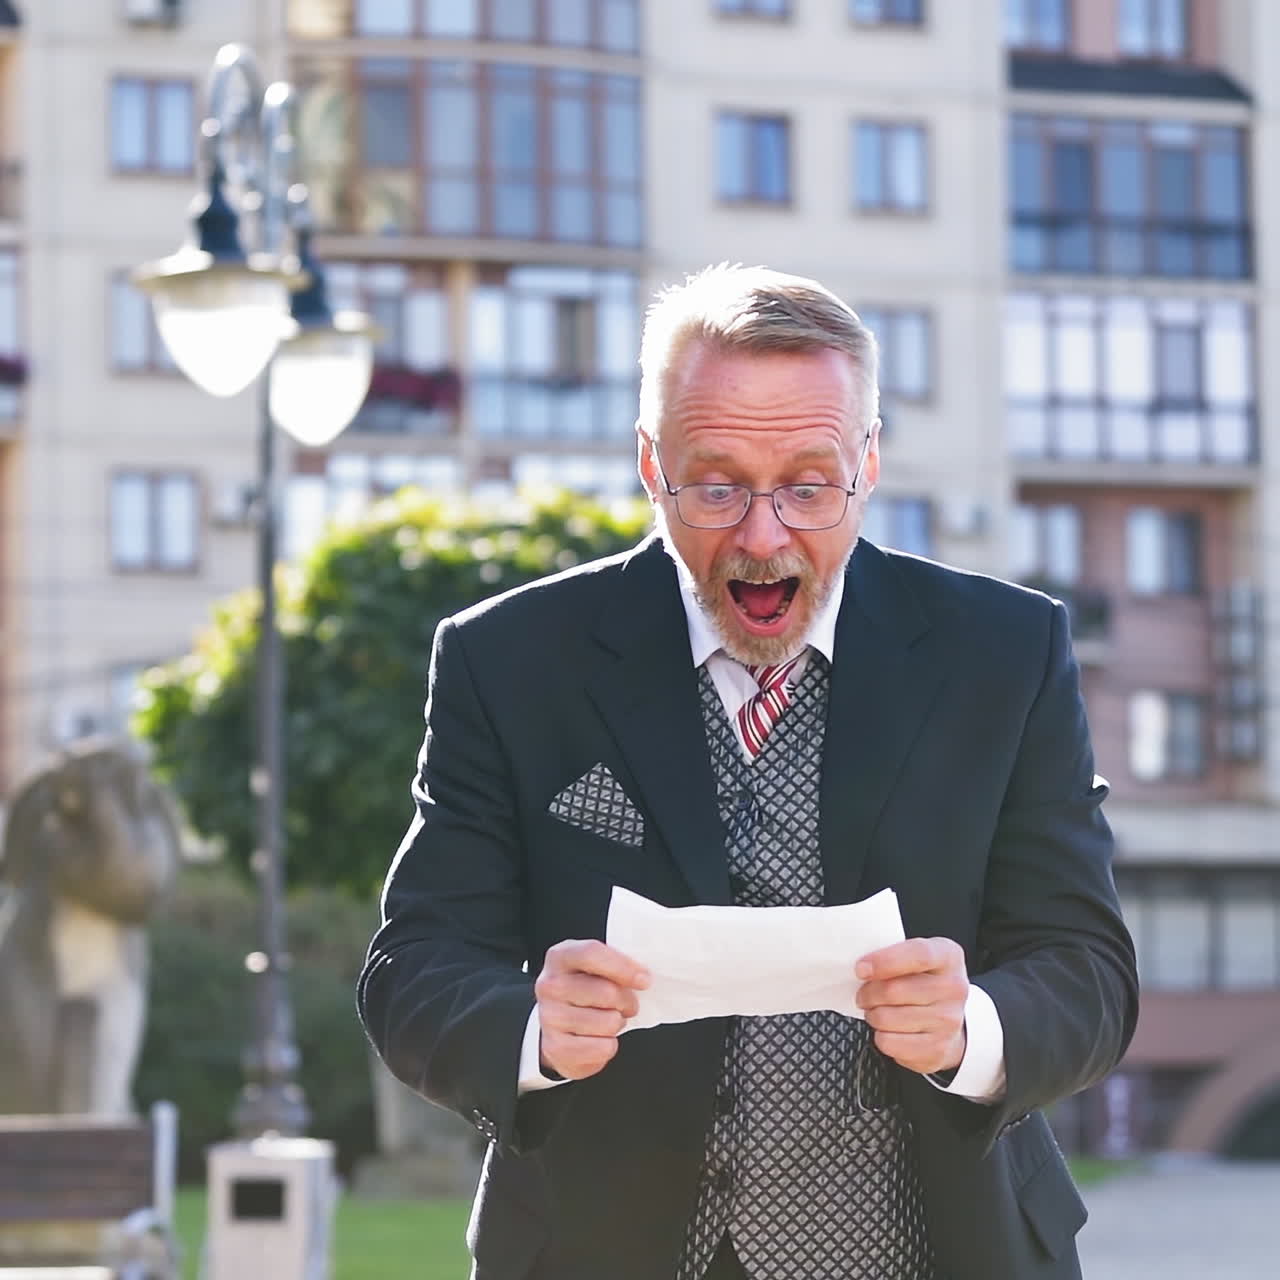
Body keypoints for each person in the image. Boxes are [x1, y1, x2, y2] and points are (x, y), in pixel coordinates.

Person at [358, 264, 1139, 1280]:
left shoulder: (1005, 652)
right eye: (716, 485)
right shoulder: (506, 660)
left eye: (807, 487)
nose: (763, 537)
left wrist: (972, 1026)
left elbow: (1086, 965)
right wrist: (532, 1031)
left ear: (866, 464)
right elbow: (412, 965)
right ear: (650, 463)